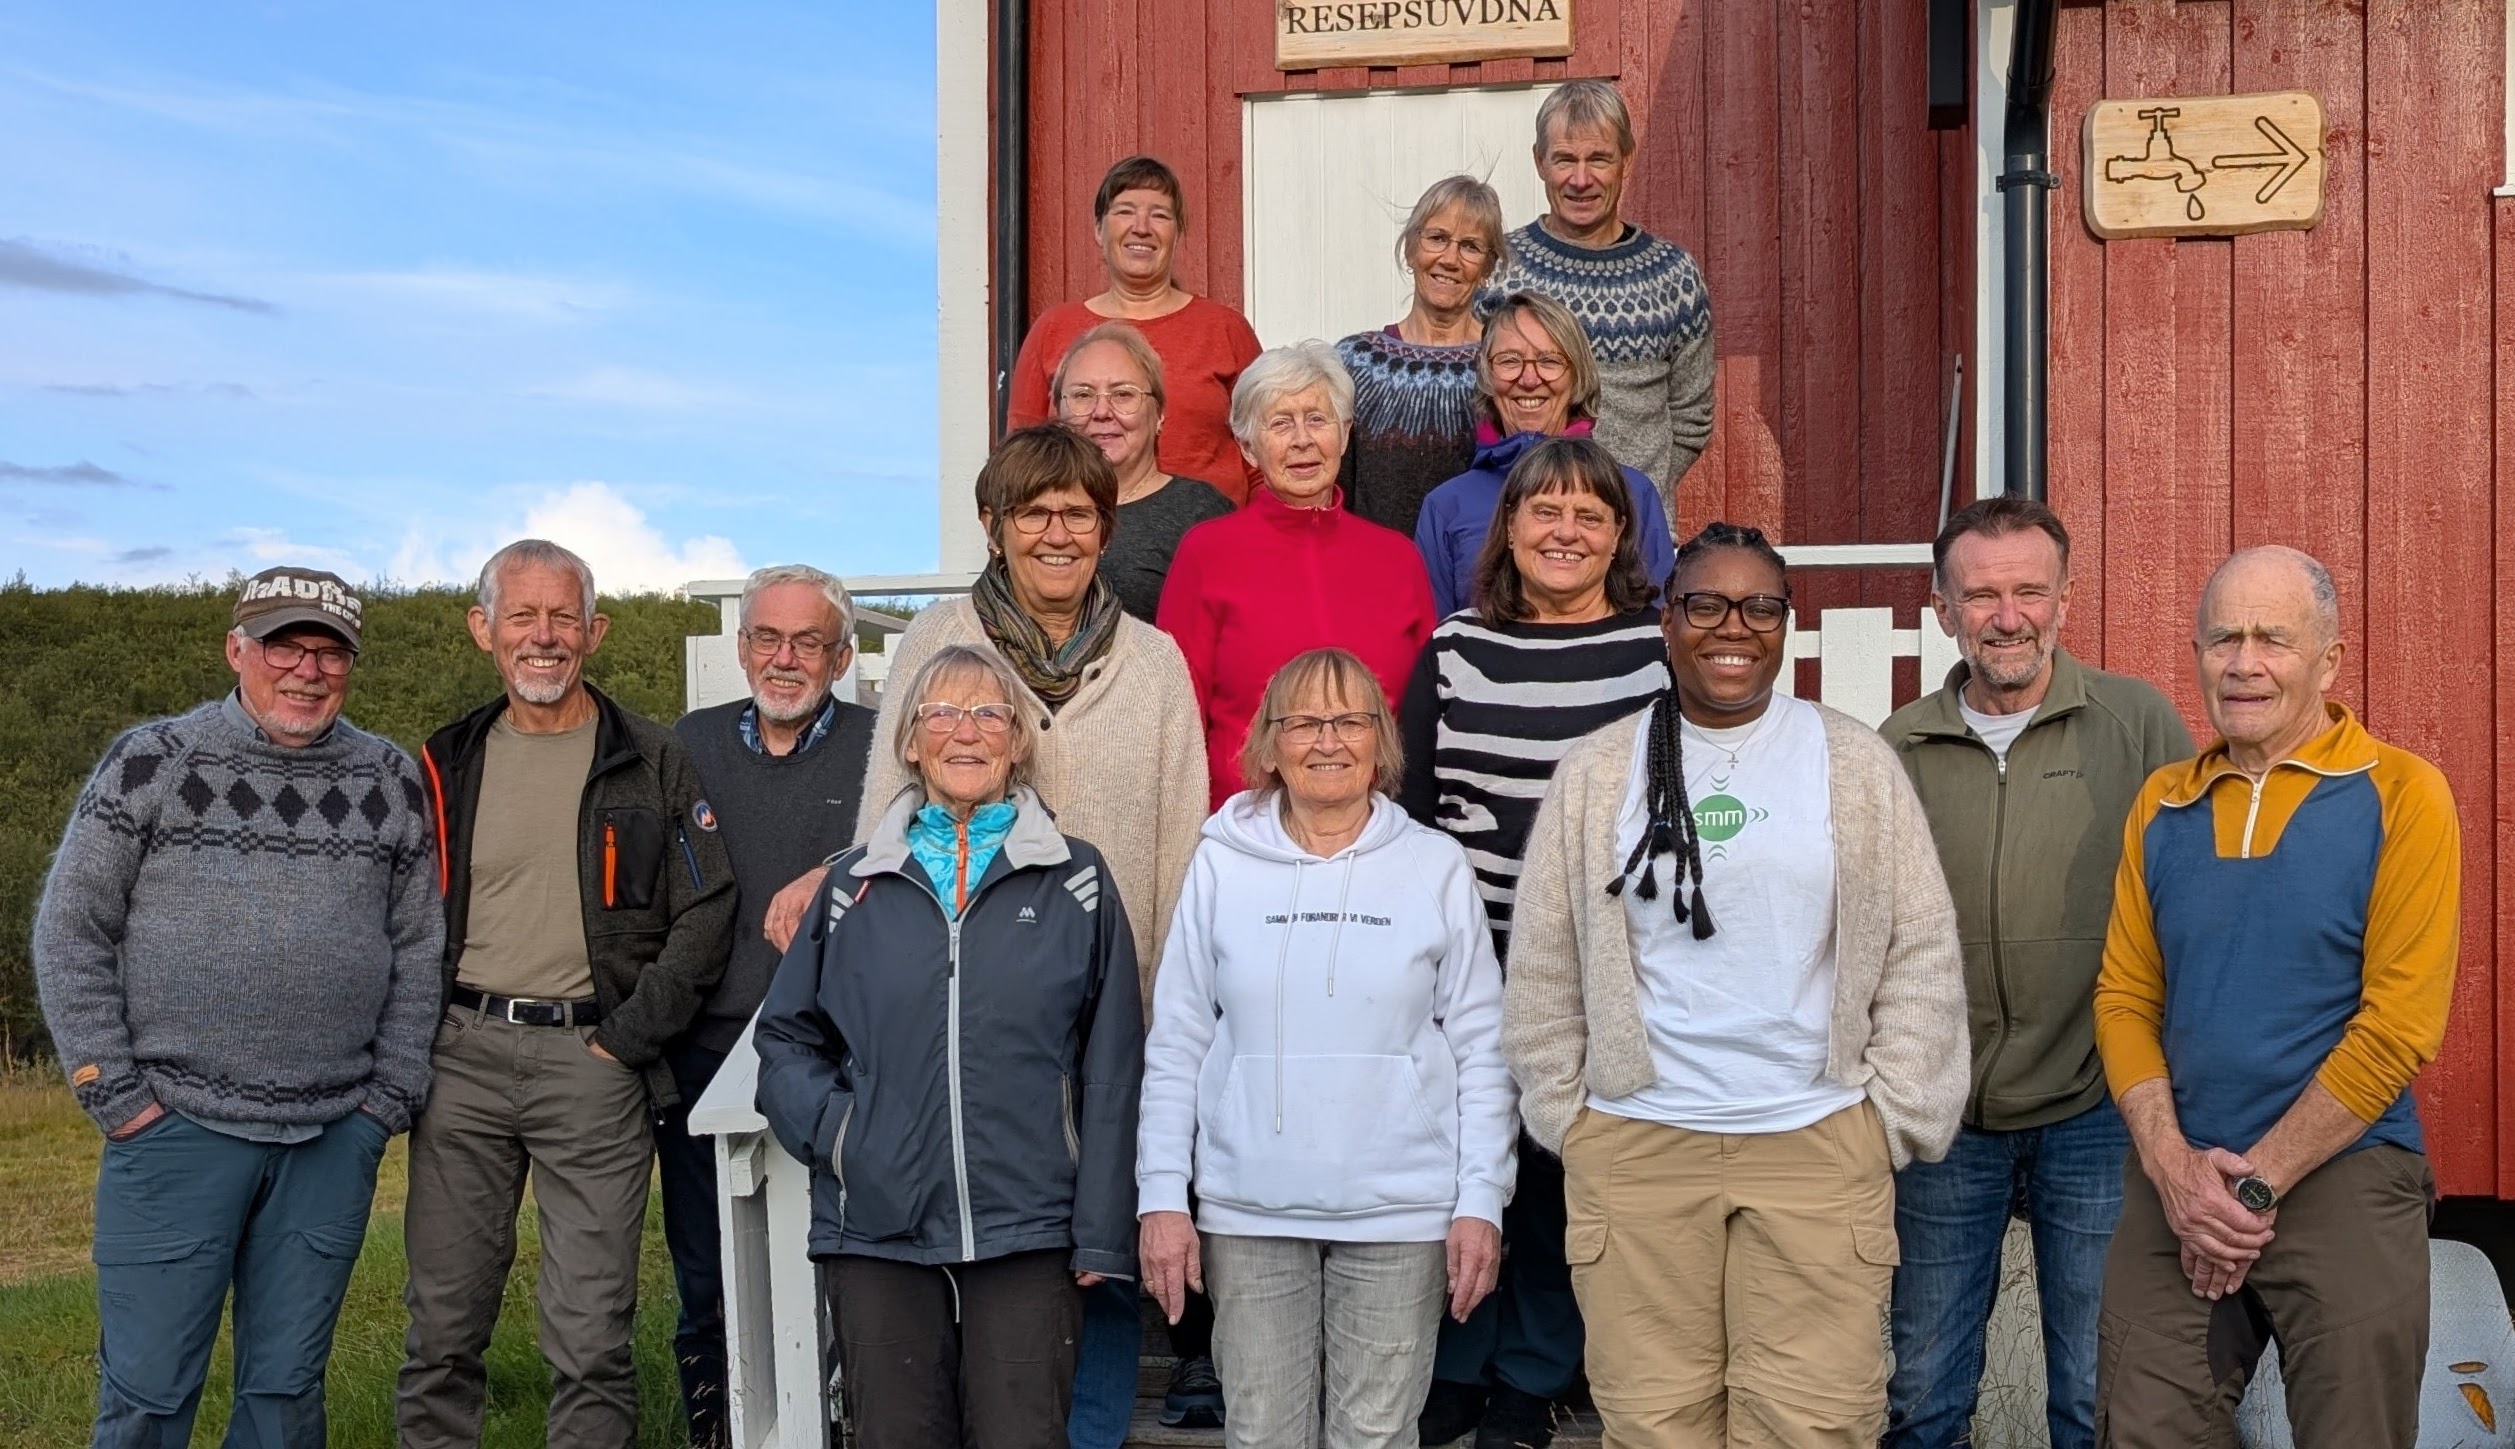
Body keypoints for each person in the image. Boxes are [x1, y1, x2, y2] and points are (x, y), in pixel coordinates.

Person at [758, 424, 1211, 1440]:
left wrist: (1164, 1018)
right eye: (1032, 512)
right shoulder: (939, 637)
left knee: (1084, 1281)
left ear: (1105, 529)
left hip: (1100, 1015)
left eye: (1077, 513)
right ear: (993, 526)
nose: (1056, 532)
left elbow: (1182, 842)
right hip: (935, 1034)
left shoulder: (1153, 661)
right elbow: (885, 814)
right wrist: (845, 1128)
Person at [1503, 523, 1968, 1445]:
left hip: (1814, 1142)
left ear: (1785, 623)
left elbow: (1919, 948)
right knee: (1654, 1423)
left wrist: (1888, 1117)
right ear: (1666, 620)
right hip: (1639, 1146)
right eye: (1706, 604)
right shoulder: (1600, 770)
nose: (1733, 627)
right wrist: (1572, 1120)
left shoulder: (1850, 762)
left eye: (1759, 607)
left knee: (1813, 1423)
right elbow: (1544, 964)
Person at [33, 566, 440, 1449]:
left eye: (330, 653)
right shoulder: (151, 761)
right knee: (146, 1393)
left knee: (285, 1394)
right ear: (236, 650)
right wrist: (114, 1093)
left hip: (331, 1136)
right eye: (285, 646)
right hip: (173, 1129)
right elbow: (70, 929)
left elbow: (419, 947)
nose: (308, 671)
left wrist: (386, 1100)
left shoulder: (389, 778)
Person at [2091, 546, 2459, 1447]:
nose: (2242, 663)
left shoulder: (2401, 793)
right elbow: (2123, 997)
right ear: (2195, 654)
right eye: (2222, 638)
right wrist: (2175, 1170)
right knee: (2143, 1423)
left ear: (2328, 661)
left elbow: (2398, 1026)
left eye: (2271, 639)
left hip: (2343, 1165)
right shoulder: (2162, 804)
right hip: (2182, 1175)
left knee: (2353, 1430)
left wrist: (2253, 1185)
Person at [755, 644, 1144, 1449]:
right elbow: (786, 1037)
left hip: (1028, 1224)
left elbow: (1112, 1063)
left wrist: (1102, 1224)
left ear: (1017, 740)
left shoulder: (1075, 879)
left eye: (988, 713)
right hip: (877, 1225)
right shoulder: (852, 885)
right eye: (941, 713)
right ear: (909, 741)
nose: (965, 731)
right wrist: (844, 1135)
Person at [399, 539, 736, 1449]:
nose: (542, 636)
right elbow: (397, 908)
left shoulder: (652, 758)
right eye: (522, 615)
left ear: (595, 631)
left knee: (590, 1337)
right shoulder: (445, 760)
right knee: (441, 1329)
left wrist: (626, 1036)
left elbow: (707, 906)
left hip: (594, 1064)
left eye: (562, 617)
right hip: (461, 1060)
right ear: (483, 629)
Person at [1138, 647, 1517, 1449]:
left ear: (1381, 742)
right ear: (1268, 744)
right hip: (1249, 1209)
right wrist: (1162, 1195)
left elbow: (1483, 1047)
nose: (1328, 740)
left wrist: (1480, 1199)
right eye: (1304, 721)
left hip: (1401, 1211)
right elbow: (1176, 1038)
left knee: (1375, 1435)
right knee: (1262, 1434)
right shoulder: (1220, 862)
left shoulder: (1433, 864)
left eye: (1349, 720)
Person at [1876, 498, 2193, 1449]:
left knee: (2097, 1391)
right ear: (1942, 607)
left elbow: (2189, 898)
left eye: (2028, 590)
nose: (2007, 616)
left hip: (2098, 1104)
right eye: (1981, 594)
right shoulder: (1897, 746)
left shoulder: (2135, 724)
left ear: (2065, 596)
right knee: (1923, 1391)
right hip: (1947, 1115)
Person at [1396, 436, 1670, 1449]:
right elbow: (1413, 810)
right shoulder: (1454, 650)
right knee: (1467, 1157)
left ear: (1620, 535)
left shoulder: (1655, 656)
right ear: (1508, 528)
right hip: (1471, 960)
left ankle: (1532, 1374)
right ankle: (1457, 1361)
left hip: (1604, 965)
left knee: (1561, 1171)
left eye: (1589, 515)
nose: (1565, 531)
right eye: (1543, 511)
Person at [665, 563, 876, 1447]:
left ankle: (848, 1422)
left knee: (849, 1260)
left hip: (842, 1047)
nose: (785, 658)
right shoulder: (689, 743)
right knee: (707, 1265)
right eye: (767, 638)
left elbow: (920, 838)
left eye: (808, 641)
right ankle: (720, 1425)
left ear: (842, 655)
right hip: (705, 1042)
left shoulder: (881, 745)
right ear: (742, 645)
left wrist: (836, 868)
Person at [1158, 342, 1438, 808]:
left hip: (1374, 824)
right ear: (1248, 447)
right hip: (1247, 824)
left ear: (1344, 435)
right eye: (1281, 423)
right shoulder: (1207, 553)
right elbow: (1178, 715)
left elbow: (1423, 719)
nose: (1302, 440)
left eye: (1317, 419)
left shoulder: (1398, 559)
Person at [1483, 80, 1713, 510]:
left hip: (1638, 529)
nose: (1580, 179)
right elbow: (1479, 400)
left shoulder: (1674, 277)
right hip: (1524, 526)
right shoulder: (1497, 269)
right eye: (1565, 159)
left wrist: (1634, 493)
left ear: (1626, 158)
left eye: (1599, 159)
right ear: (1539, 161)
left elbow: (1692, 419)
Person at [1009, 154, 1265, 501]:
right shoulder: (1053, 330)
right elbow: (1019, 463)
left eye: (1160, 215)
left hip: (1211, 531)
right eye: (1125, 211)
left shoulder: (1226, 329)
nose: (1141, 227)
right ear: (1099, 229)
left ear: (1177, 233)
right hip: (1083, 530)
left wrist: (1253, 531)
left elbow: (1264, 460)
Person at [1415, 290, 1677, 619]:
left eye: (1549, 361)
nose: (1529, 379)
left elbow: (1659, 625)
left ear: (1576, 377)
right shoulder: (1447, 505)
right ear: (1487, 377)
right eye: (1509, 361)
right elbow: (1437, 635)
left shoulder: (1632, 492)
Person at [1335, 174, 1509, 536]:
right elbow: (1336, 493)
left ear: (1488, 268)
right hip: (1379, 566)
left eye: (1470, 246)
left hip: (1476, 566)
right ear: (1411, 249)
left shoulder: (1506, 364)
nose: (1450, 259)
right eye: (1437, 238)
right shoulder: (1356, 362)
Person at [1054, 321, 1236, 620]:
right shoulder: (1032, 508)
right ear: (1058, 412)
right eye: (1083, 395)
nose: (1102, 412)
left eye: (1123, 394)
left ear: (1160, 414)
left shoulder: (1200, 513)